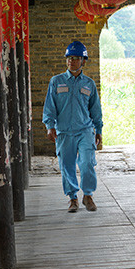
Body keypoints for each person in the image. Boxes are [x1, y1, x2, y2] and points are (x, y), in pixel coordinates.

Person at [42, 41, 103, 212]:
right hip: (63, 132)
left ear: (83, 61)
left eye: (76, 58)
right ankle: (73, 198)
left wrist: (98, 130)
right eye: (69, 58)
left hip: (85, 130)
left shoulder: (89, 84)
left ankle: (88, 195)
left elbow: (95, 110)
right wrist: (49, 125)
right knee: (66, 165)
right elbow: (49, 106)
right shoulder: (56, 81)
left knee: (87, 163)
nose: (72, 61)